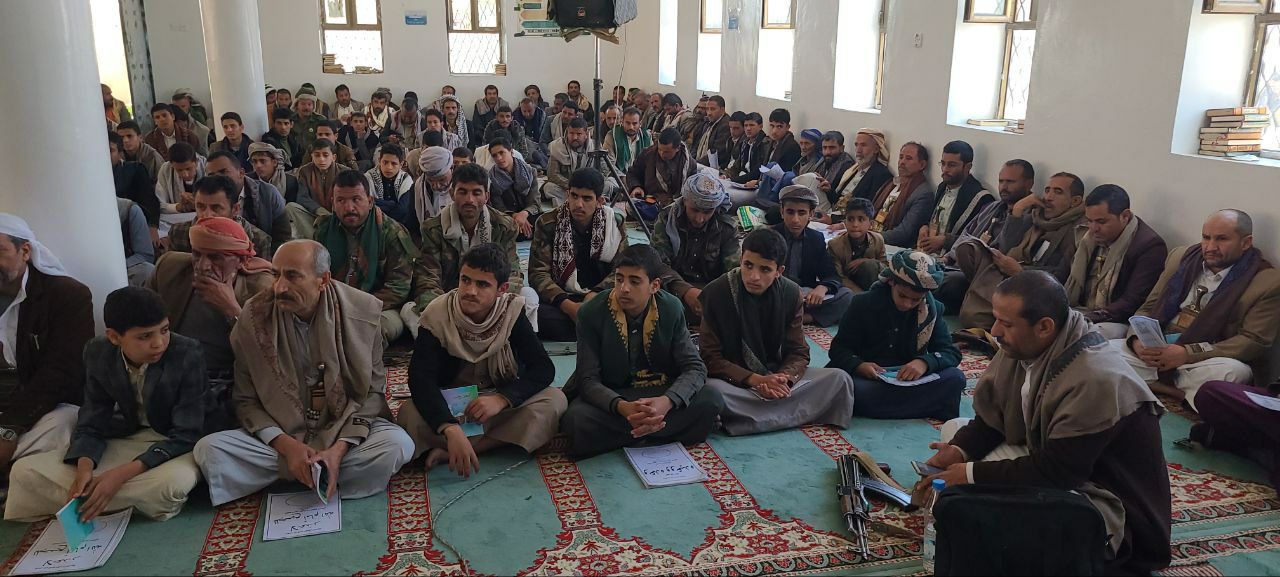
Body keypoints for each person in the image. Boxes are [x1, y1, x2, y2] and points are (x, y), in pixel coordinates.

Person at [925, 271, 1171, 575]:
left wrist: (968, 474)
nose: (995, 331)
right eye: (996, 319)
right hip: (1059, 464)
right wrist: (959, 451)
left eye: (1006, 323)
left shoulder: (1095, 377)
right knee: (955, 430)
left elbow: (1057, 473)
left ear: (1044, 326)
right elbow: (994, 419)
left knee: (982, 504)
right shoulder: (1026, 345)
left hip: (1104, 504)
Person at [193, 240, 413, 506]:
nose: (279, 287)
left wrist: (338, 449)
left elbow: (372, 394)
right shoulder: (253, 317)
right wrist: (288, 447)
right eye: (276, 275)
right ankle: (316, 472)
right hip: (281, 435)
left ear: (323, 280)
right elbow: (245, 400)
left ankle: (316, 468)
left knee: (397, 444)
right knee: (209, 450)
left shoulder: (362, 314)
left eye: (292, 276)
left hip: (343, 429)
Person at [5, 287, 205, 522]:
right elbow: (93, 420)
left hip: (172, 443)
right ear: (114, 337)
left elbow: (188, 433)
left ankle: (100, 498)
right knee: (24, 471)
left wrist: (119, 476)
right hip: (128, 439)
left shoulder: (186, 353)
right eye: (145, 336)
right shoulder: (97, 351)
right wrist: (84, 469)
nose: (159, 343)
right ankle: (106, 498)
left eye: (164, 330)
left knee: (171, 484)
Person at [397, 243, 564, 476]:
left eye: (482, 284)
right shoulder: (437, 314)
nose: (470, 291)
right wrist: (449, 427)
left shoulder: (511, 311)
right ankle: (465, 442)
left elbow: (543, 369)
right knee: (408, 415)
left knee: (555, 400)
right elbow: (420, 379)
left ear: (501, 289)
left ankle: (468, 449)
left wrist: (502, 399)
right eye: (465, 280)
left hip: (495, 403)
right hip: (453, 406)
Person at [560, 245, 723, 458]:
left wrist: (667, 402)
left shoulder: (671, 308)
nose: (624, 288)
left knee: (711, 398)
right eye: (619, 279)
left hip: (660, 393)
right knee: (576, 419)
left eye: (634, 281)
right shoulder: (591, 313)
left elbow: (695, 367)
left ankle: (634, 433)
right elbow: (588, 379)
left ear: (654, 285)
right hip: (615, 397)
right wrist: (622, 407)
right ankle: (657, 431)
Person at [1114, 209, 1280, 408]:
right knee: (1101, 350)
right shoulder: (1181, 257)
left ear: (1245, 243)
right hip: (1159, 349)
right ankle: (1177, 391)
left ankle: (1153, 384)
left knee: (1233, 372)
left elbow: (1253, 341)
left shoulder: (1267, 281)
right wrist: (1137, 341)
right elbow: (1148, 307)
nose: (1210, 247)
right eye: (1206, 237)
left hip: (1204, 358)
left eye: (1222, 239)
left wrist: (1187, 353)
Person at [699, 229, 855, 435]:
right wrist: (756, 380)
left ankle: (753, 418)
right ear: (741, 259)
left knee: (840, 379)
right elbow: (710, 358)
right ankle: (791, 415)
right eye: (748, 265)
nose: (754, 276)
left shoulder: (791, 293)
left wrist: (783, 379)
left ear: (779, 271)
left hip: (777, 379)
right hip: (736, 382)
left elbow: (798, 352)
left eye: (765, 269)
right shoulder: (716, 292)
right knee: (709, 391)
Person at [150, 216, 274, 432]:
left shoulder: (263, 290)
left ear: (241, 262)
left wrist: (232, 310)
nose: (203, 266)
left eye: (216, 258)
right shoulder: (169, 267)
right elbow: (143, 320)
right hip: (171, 371)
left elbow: (268, 357)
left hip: (228, 383)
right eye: (197, 254)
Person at [0, 215, 92, 484]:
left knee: (64, 422)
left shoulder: (68, 295)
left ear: (25, 251)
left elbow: (61, 374)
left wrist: (9, 428)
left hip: (40, 409)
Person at [826, 250, 966, 419]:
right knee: (846, 386)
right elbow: (839, 350)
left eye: (915, 300)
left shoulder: (932, 311)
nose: (907, 304)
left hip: (909, 380)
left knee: (956, 378)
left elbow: (950, 352)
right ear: (892, 282)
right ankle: (922, 406)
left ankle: (883, 408)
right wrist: (859, 366)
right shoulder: (863, 304)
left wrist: (924, 362)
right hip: (869, 379)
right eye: (902, 296)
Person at [405, 163, 532, 338]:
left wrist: (488, 306)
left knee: (528, 297)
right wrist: (449, 313)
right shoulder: (433, 229)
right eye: (463, 192)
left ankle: (512, 347)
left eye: (476, 193)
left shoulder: (503, 227)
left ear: (486, 196)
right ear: (452, 194)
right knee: (409, 310)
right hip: (449, 301)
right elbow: (428, 278)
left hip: (489, 299)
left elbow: (513, 273)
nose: (469, 200)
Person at [955, 172, 1087, 330]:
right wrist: (1017, 210)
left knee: (953, 287)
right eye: (1047, 190)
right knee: (967, 249)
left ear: (1075, 201)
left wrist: (1020, 272)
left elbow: (1063, 276)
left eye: (1057, 192)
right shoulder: (1037, 215)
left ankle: (988, 312)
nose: (1048, 197)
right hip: (1008, 267)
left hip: (1035, 284)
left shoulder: (1078, 230)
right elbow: (1006, 247)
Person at [313, 170, 418, 343]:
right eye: (341, 200)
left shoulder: (391, 233)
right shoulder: (323, 229)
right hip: (333, 303)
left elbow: (398, 288)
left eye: (356, 199)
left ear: (369, 202)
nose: (349, 208)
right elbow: (315, 275)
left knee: (372, 332)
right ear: (333, 203)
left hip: (381, 307)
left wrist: (357, 308)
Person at [530, 168, 628, 342]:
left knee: (637, 302)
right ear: (567, 195)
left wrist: (594, 295)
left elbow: (622, 269)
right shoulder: (548, 223)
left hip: (602, 297)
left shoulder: (614, 223)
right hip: (563, 299)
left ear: (600, 201)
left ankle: (588, 326)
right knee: (533, 312)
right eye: (574, 196)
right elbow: (538, 273)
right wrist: (568, 306)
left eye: (587, 198)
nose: (578, 204)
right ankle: (595, 328)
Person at [1064, 185, 1168, 339]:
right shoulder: (1085, 237)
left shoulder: (1150, 246)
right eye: (1089, 221)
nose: (1093, 228)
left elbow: (1132, 302)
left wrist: (1086, 317)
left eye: (1101, 221)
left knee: (1082, 333)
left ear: (1125, 216)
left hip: (1116, 320)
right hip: (1079, 310)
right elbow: (1062, 274)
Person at [936, 159, 1037, 313]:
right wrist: (946, 258)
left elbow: (1005, 249)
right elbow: (966, 234)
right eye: (1001, 181)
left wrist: (1016, 212)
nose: (1004, 187)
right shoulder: (991, 207)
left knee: (948, 283)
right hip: (956, 266)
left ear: (1028, 184)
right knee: (924, 268)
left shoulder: (1032, 217)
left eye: (1010, 182)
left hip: (987, 277)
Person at [650, 174, 740, 323]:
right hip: (672, 288)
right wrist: (686, 291)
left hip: (712, 291)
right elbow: (658, 264)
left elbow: (733, 271)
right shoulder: (667, 220)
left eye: (707, 212)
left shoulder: (726, 227)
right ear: (685, 201)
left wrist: (712, 296)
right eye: (695, 210)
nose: (700, 219)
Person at [773, 185, 852, 326]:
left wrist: (823, 287)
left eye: (801, 213)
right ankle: (793, 317)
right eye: (790, 212)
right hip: (776, 293)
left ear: (811, 214)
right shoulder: (770, 237)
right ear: (781, 212)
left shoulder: (816, 239)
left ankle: (804, 318)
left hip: (804, 295)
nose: (795, 219)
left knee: (846, 296)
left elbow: (831, 274)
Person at [917, 140, 995, 256]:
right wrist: (924, 227)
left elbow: (978, 241)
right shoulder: (942, 187)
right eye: (943, 163)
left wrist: (946, 241)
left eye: (952, 165)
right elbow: (933, 218)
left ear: (967, 167)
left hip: (952, 259)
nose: (945, 169)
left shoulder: (982, 199)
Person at [167, 175, 274, 259]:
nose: (207, 215)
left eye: (216, 208)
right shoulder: (178, 233)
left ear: (235, 209)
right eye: (201, 207)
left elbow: (261, 280)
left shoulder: (259, 241)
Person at [205, 150, 292, 249]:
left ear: (241, 173)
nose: (217, 179)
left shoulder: (268, 193)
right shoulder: (204, 198)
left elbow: (283, 237)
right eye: (211, 176)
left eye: (223, 172)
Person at [865, 142, 934, 248]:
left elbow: (903, 233)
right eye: (901, 157)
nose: (902, 162)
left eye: (909, 158)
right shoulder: (892, 183)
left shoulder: (923, 194)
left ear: (922, 165)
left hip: (889, 245)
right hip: (871, 234)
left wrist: (868, 238)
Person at [826, 128, 893, 220]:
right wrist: (828, 189)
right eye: (856, 145)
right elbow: (836, 199)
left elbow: (867, 210)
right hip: (832, 211)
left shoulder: (881, 174)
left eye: (863, 145)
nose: (858, 150)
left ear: (876, 149)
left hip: (848, 220)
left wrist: (832, 219)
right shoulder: (853, 169)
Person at [543, 118, 612, 207]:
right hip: (568, 188)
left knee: (609, 184)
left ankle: (594, 204)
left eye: (579, 134)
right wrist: (572, 185)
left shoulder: (595, 146)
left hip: (590, 188)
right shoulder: (557, 147)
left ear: (586, 134)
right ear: (567, 132)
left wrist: (592, 185)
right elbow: (552, 174)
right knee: (549, 187)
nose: (575, 137)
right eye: (571, 133)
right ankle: (566, 207)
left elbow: (604, 170)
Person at [288, 138, 345, 239]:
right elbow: (302, 197)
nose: (321, 159)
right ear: (312, 156)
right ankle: (315, 238)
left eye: (325, 155)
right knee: (291, 207)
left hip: (337, 215)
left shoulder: (344, 171)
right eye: (317, 155)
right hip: (315, 214)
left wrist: (331, 215)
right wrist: (320, 211)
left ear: (334, 157)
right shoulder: (305, 171)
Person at [626, 127, 697, 208]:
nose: (662, 154)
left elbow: (692, 192)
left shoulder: (690, 165)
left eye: (666, 152)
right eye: (660, 150)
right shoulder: (647, 154)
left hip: (679, 206)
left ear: (677, 148)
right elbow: (632, 173)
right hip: (650, 202)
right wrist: (636, 187)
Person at [827, 198, 886, 292]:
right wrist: (862, 295)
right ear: (845, 222)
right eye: (850, 219)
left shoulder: (878, 240)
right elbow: (838, 276)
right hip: (848, 288)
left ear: (870, 224)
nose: (855, 224)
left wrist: (867, 261)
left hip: (872, 286)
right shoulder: (835, 245)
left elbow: (885, 269)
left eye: (861, 219)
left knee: (870, 265)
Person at [110, 131, 159, 241]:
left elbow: (149, 200)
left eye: (110, 150)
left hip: (131, 226)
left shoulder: (135, 170)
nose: (105, 154)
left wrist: (152, 226)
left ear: (120, 153)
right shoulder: (91, 176)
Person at [486, 138, 539, 238]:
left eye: (502, 153)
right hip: (507, 216)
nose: (499, 158)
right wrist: (515, 216)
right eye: (495, 155)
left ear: (511, 151)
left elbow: (535, 201)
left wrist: (524, 214)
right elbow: (498, 206)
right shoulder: (492, 177)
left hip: (528, 214)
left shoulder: (530, 171)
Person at [364, 142, 415, 232]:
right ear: (379, 160)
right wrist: (392, 204)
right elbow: (367, 206)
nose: (389, 167)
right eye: (385, 162)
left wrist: (378, 204)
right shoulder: (368, 177)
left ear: (401, 164)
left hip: (399, 227)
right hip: (373, 225)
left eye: (394, 163)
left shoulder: (406, 179)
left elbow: (402, 210)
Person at [405, 146, 454, 233]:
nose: (436, 186)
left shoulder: (463, 188)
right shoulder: (417, 188)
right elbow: (412, 224)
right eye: (430, 180)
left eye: (442, 179)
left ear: (451, 168)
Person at [155, 142, 205, 214]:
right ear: (172, 165)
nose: (185, 175)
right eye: (179, 170)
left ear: (196, 162)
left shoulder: (207, 167)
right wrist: (178, 207)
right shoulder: (166, 170)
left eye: (188, 169)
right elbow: (159, 204)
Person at [724, 112, 770, 185]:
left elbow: (757, 172)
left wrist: (733, 180)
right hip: (742, 180)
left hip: (754, 184)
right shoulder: (744, 143)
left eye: (752, 125)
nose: (748, 128)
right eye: (746, 125)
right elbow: (737, 165)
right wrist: (726, 175)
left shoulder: (765, 144)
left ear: (760, 126)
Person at [603, 107, 652, 174]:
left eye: (634, 124)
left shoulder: (647, 136)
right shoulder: (612, 135)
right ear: (622, 122)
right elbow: (608, 163)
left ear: (640, 123)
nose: (631, 127)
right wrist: (622, 177)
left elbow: (651, 161)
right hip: (618, 176)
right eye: (628, 123)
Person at [689, 96, 731, 165]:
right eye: (707, 109)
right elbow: (696, 145)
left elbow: (715, 153)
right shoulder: (707, 122)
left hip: (714, 166)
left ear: (722, 110)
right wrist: (691, 161)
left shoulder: (725, 125)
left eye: (712, 109)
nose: (709, 113)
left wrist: (696, 164)